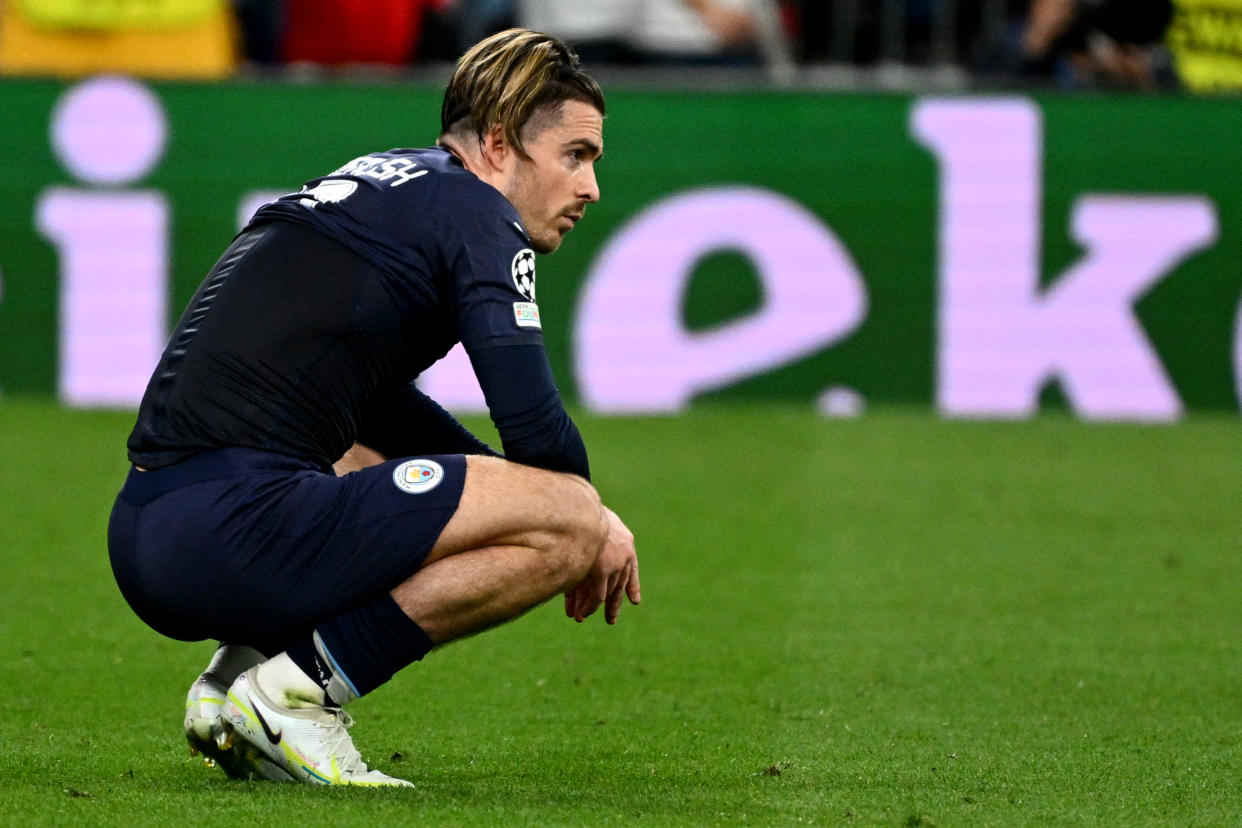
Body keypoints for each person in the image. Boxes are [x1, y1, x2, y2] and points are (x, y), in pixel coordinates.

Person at [107, 28, 640, 787]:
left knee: (383, 453)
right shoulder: (476, 212)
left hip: (152, 531)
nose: (590, 187)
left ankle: (235, 681)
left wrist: (525, 497)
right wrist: (590, 516)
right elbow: (532, 424)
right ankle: (297, 694)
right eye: (575, 156)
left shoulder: (385, 183)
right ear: (497, 144)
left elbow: (379, 411)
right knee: (567, 526)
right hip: (231, 532)